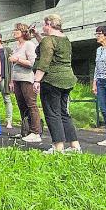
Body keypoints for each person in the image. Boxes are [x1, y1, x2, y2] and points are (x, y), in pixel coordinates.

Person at [33, 14, 80, 153]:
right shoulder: (65, 39)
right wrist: (37, 36)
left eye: (44, 24)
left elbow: (45, 61)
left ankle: (58, 147)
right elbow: (49, 46)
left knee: (52, 113)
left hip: (52, 80)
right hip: (67, 79)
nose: (42, 27)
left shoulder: (49, 40)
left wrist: (36, 80)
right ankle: (75, 146)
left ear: (49, 24)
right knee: (64, 113)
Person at [8, 23, 42, 142]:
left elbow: (32, 63)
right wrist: (11, 81)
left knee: (31, 105)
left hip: (27, 79)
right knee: (21, 105)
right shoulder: (16, 45)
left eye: (17, 30)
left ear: (23, 32)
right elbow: (13, 66)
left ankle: (35, 132)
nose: (14, 31)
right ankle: (25, 131)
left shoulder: (29, 44)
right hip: (17, 79)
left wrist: (17, 59)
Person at [0, 31, 14, 129]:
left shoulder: (6, 49)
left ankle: (9, 120)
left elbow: (11, 65)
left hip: (4, 77)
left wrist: (11, 80)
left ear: (0, 38)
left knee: (7, 98)